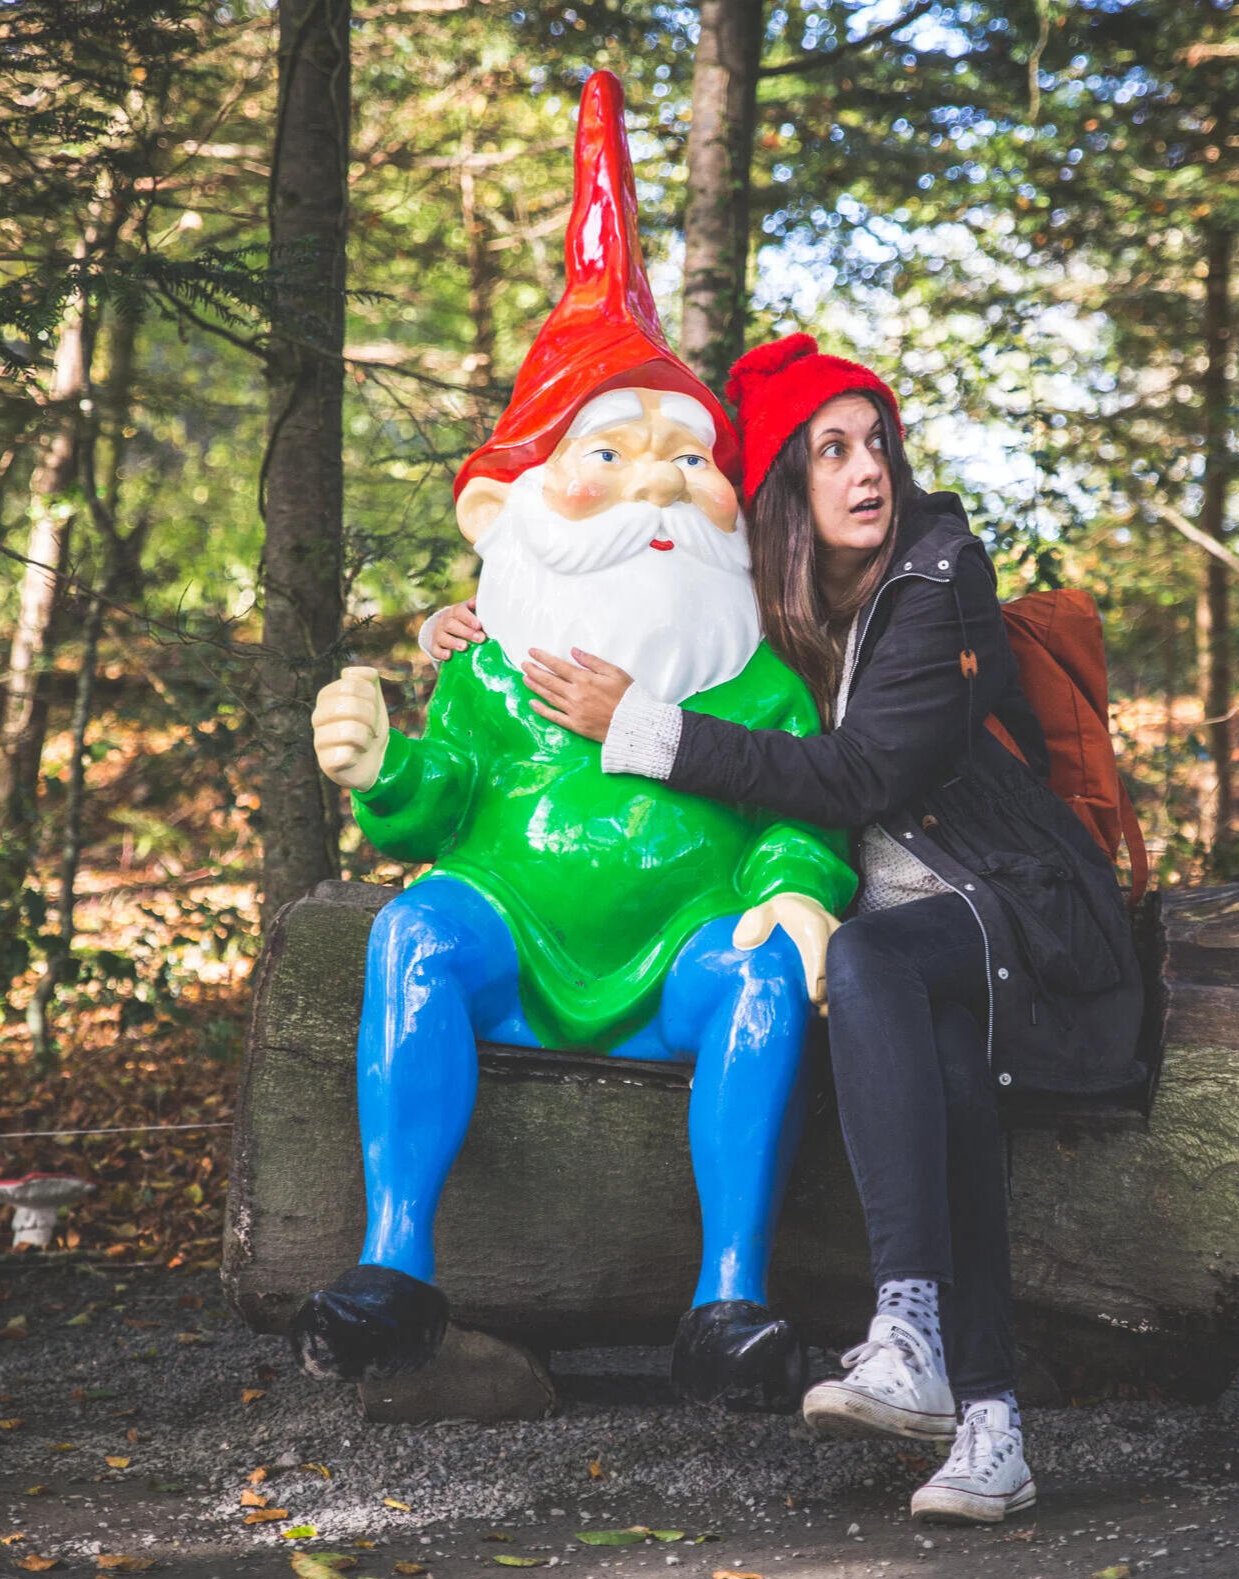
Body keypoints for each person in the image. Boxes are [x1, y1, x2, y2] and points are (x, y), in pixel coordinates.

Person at [436, 334, 1148, 1525]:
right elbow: (636, 595)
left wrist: (650, 730)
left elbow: (864, 772)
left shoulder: (937, 575)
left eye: (877, 443)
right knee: (950, 1082)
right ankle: (991, 1427)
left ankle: (906, 1325)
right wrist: (469, 622)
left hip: (1020, 909)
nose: (868, 470)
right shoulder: (782, 611)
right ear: (786, 492)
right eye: (832, 450)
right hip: (918, 936)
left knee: (871, 958)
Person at [294, 76, 852, 1412]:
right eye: (613, 451)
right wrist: (383, 769)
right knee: (411, 932)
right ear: (515, 504)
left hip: (686, 943)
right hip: (516, 932)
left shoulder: (755, 667)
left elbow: (802, 799)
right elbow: (445, 797)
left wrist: (797, 884)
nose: (662, 479)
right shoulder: (487, 662)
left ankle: (730, 1294)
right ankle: (397, 1261)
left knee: (765, 967)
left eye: (690, 456)